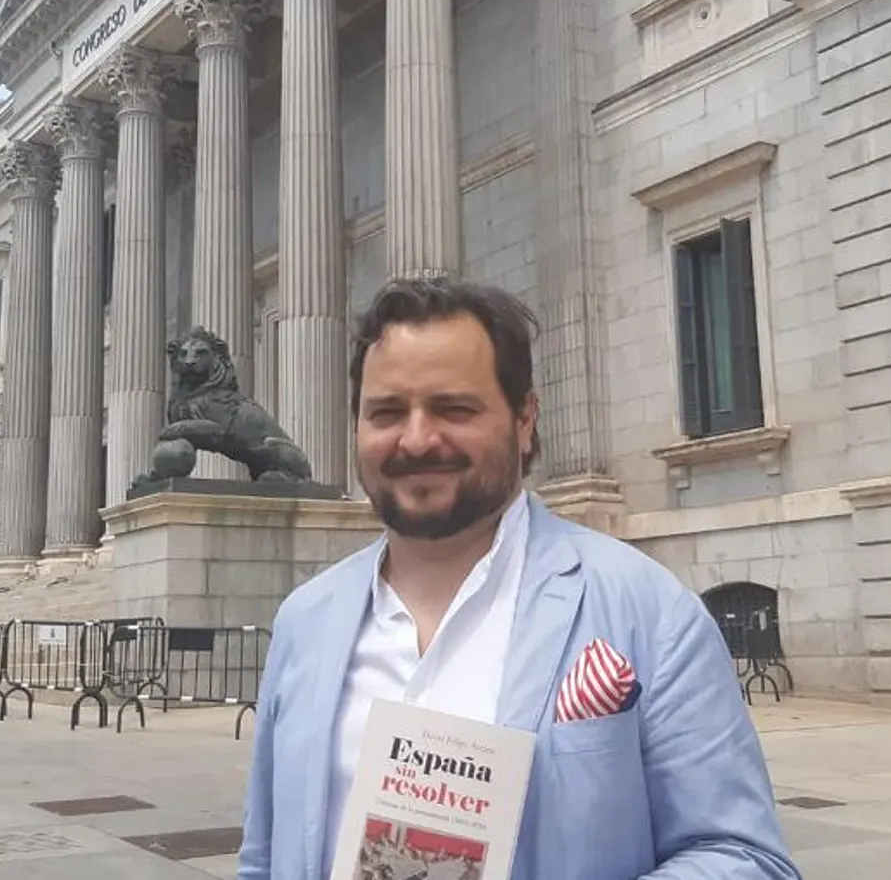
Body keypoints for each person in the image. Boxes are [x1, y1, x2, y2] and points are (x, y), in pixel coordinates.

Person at [238, 277, 800, 880]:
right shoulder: (305, 621)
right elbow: (265, 860)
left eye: (454, 409)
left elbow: (746, 859)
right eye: (387, 412)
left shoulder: (650, 611)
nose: (418, 438)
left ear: (524, 419)